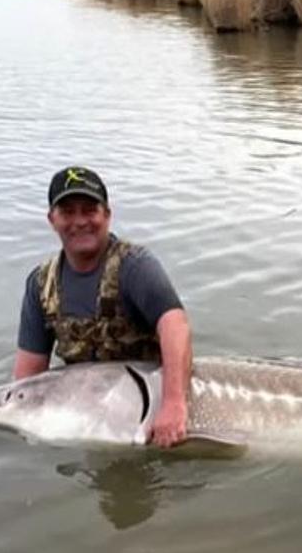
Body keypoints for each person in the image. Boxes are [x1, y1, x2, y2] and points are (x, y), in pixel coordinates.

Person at [13, 166, 192, 447]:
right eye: (68, 212)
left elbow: (175, 324)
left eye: (89, 210)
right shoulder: (41, 284)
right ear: (52, 219)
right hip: (97, 410)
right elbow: (26, 380)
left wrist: (174, 404)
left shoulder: (134, 266)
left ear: (107, 214)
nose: (80, 221)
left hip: (154, 404)